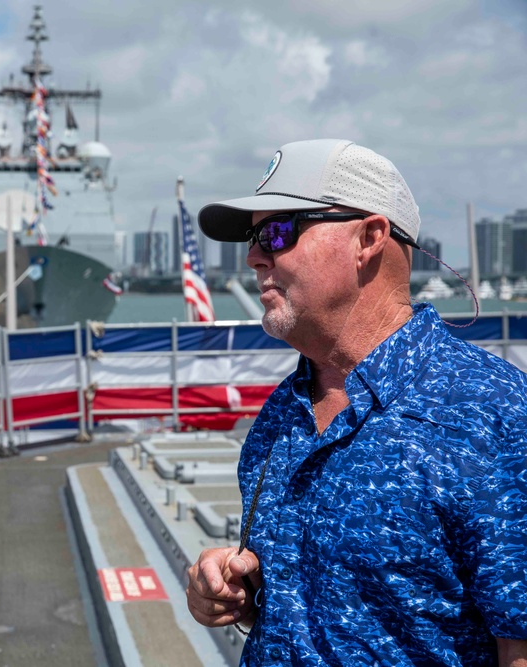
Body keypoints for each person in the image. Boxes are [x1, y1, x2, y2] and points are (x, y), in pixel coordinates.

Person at [185, 139, 527, 666]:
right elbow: (312, 610)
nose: (254, 256)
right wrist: (237, 593)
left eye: (276, 232)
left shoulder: (490, 414)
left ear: (368, 238)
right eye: (253, 239)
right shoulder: (283, 412)